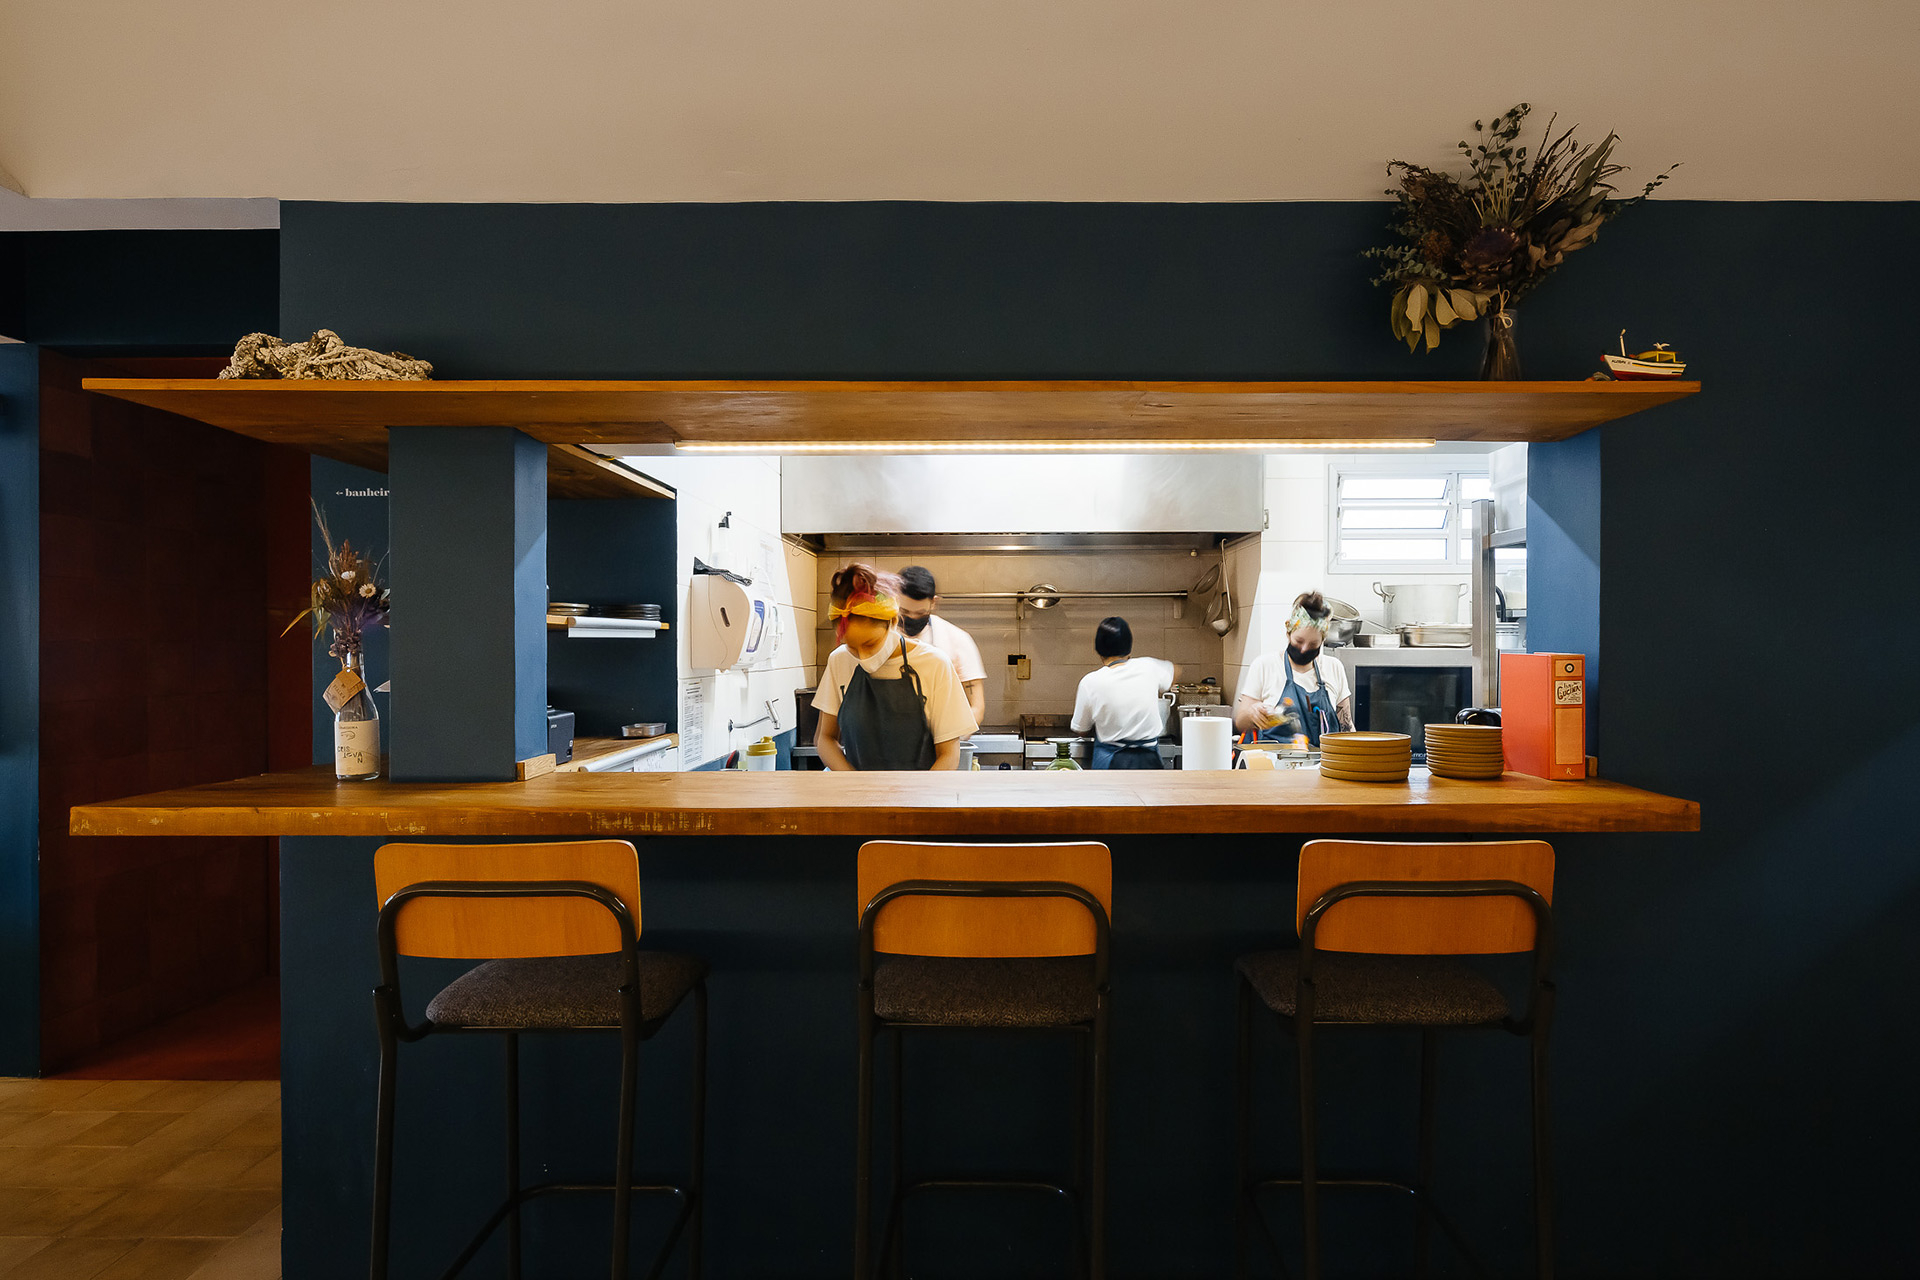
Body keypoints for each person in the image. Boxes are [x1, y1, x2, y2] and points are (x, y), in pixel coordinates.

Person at [811, 564, 977, 771]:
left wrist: (918, 792)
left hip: (923, 789)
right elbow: (825, 738)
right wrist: (854, 783)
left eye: (870, 644)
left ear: (893, 621)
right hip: (856, 790)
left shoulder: (934, 664)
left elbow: (949, 755)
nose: (863, 656)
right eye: (852, 646)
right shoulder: (839, 660)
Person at [1232, 591, 1354, 748]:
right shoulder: (1265, 665)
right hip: (1273, 762)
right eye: (1299, 641)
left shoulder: (1334, 668)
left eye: (1313, 644)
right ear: (1288, 633)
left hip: (1323, 762)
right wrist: (1252, 713)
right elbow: (1241, 722)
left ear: (1322, 640)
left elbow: (1346, 727)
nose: (1304, 649)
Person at [1070, 617, 1177, 770]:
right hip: (1149, 762)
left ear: (1099, 649)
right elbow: (1175, 671)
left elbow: (1081, 730)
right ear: (1129, 648)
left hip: (1111, 762)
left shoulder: (1090, 682)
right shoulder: (1149, 666)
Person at [894, 566, 988, 727]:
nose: (912, 618)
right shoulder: (879, 638)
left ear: (934, 602)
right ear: (894, 599)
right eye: (905, 612)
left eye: (920, 613)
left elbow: (976, 708)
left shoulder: (957, 639)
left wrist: (950, 737)